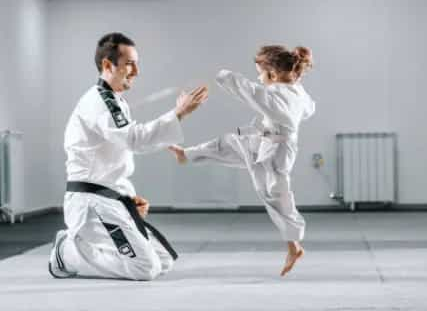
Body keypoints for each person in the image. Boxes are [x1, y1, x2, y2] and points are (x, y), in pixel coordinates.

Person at [48, 32, 208, 281]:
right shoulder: (101, 101)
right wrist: (179, 113)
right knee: (144, 268)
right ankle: (67, 252)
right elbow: (134, 139)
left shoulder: (115, 101)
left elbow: (109, 159)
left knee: (162, 261)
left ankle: (87, 245)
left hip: (109, 199)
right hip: (91, 204)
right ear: (107, 65)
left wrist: (127, 197)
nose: (136, 71)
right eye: (130, 63)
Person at [169, 45, 315, 276]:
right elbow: (308, 109)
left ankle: (294, 246)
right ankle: (186, 154)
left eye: (260, 72)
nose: (258, 77)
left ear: (273, 74)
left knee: (275, 195)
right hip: (264, 140)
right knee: (228, 143)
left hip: (277, 150)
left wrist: (219, 75)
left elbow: (246, 89)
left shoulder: (275, 96)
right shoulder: (295, 92)